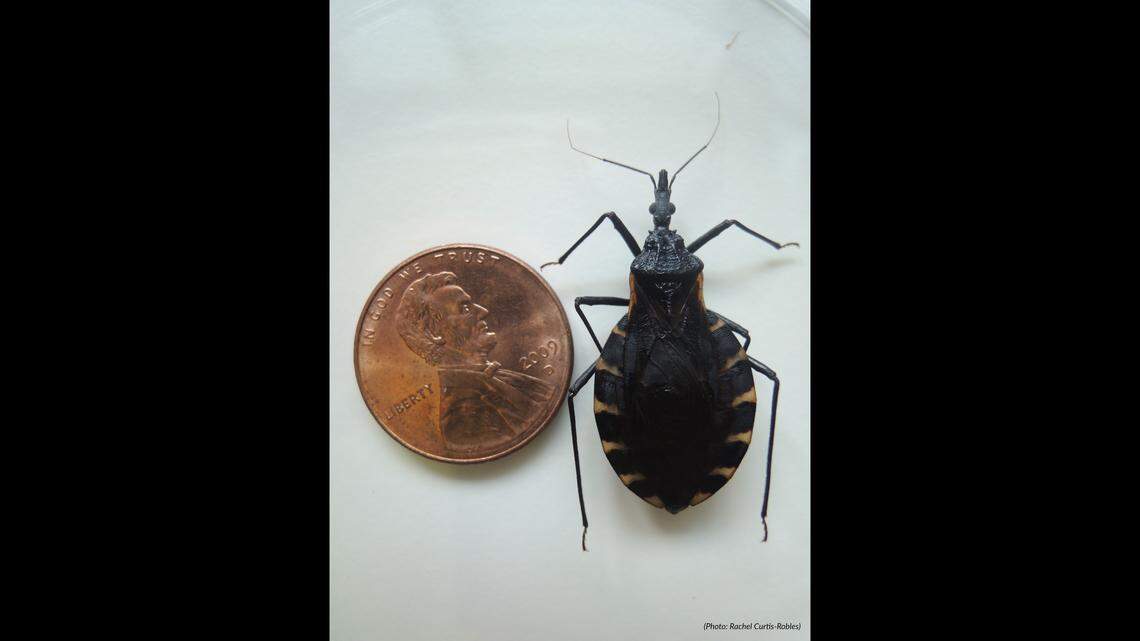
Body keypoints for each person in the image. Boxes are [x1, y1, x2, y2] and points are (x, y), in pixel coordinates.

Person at [395, 271, 554, 452]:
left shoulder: (506, 378)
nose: (483, 311)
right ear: (434, 334)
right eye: (465, 308)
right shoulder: (463, 425)